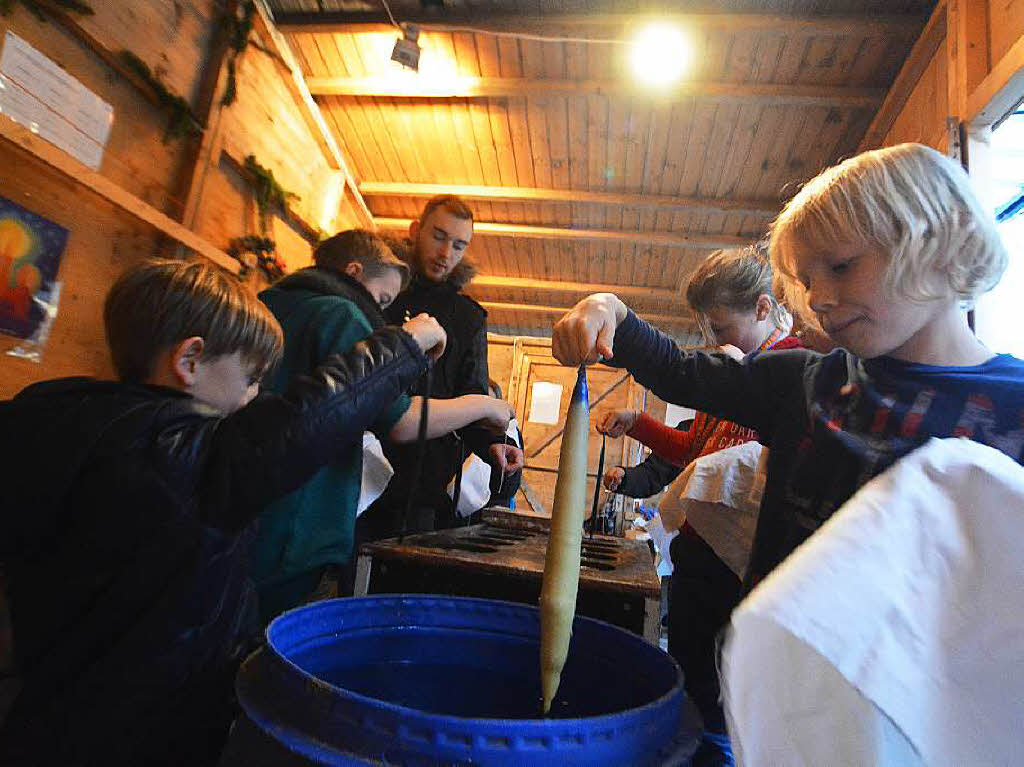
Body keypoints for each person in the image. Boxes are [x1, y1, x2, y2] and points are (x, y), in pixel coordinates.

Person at [0, 259, 447, 766]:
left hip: (41, 709)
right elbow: (307, 420)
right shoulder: (185, 458)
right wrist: (403, 345)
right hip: (147, 733)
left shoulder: (46, 420)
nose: (254, 395)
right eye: (252, 378)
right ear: (189, 360)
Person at [552, 141, 1023, 606]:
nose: (818, 299)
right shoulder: (802, 380)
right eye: (808, 280)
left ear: (937, 241)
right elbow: (680, 372)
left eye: (840, 266)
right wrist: (609, 310)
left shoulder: (1012, 409)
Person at [598, 246, 803, 765]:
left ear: (762, 309)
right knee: (691, 684)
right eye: (705, 330)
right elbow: (697, 456)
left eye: (719, 327)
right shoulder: (733, 374)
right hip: (698, 558)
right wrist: (640, 425)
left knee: (726, 702)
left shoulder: (791, 373)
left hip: (741, 569)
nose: (712, 342)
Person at [253, 230, 513, 619]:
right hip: (301, 525)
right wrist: (484, 406)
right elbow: (401, 419)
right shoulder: (341, 313)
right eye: (383, 299)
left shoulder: (267, 302)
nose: (379, 313)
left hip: (246, 510)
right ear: (354, 273)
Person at [363, 195, 524, 538]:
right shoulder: (383, 291)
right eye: (438, 236)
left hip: (424, 480)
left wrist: (491, 442)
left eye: (459, 245)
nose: (446, 252)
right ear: (415, 230)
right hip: (360, 465)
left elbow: (472, 390)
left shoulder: (468, 318)